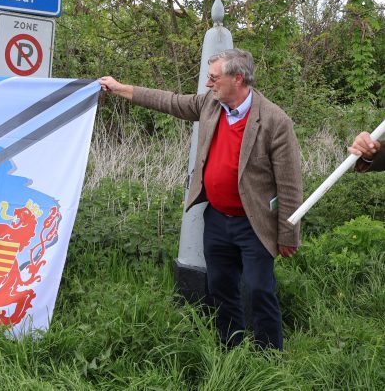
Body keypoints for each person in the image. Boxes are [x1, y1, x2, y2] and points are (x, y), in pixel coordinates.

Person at [99, 49, 302, 350]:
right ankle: (230, 348)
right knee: (220, 286)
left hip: (254, 224)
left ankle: (269, 356)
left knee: (259, 290)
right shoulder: (210, 104)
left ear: (238, 78)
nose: (208, 84)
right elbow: (169, 101)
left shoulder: (275, 121)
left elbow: (290, 184)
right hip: (217, 219)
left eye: (214, 78)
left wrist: (288, 234)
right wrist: (119, 88)